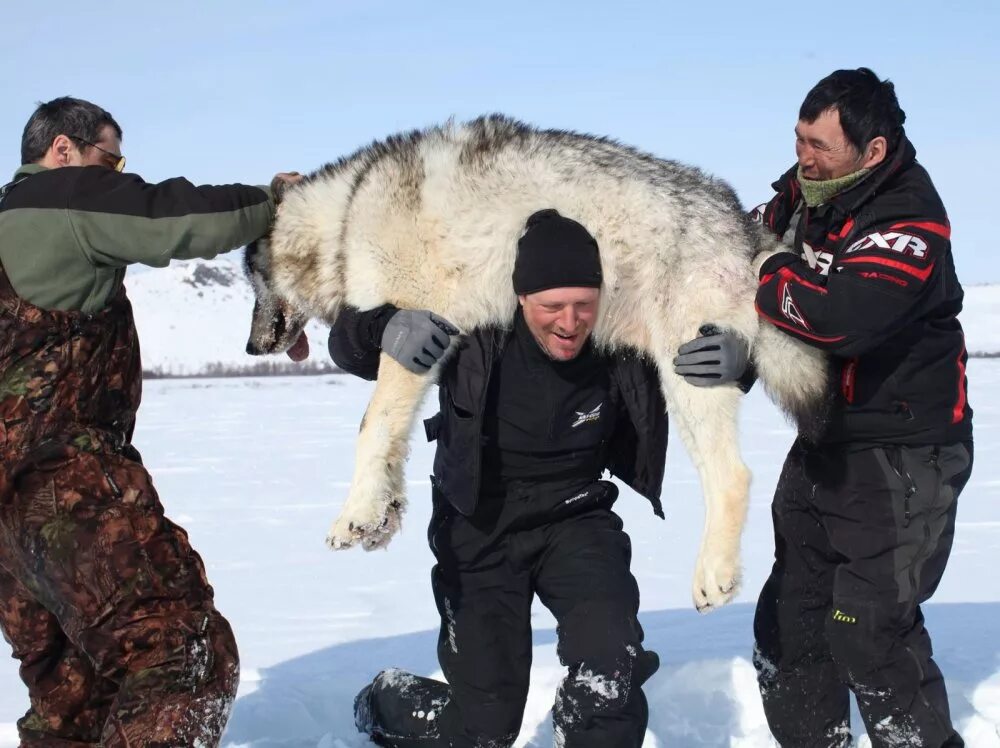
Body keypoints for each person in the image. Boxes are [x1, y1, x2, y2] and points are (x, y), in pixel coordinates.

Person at [673, 68, 974, 747]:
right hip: (825, 443)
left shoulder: (909, 220)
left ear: (871, 151)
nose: (804, 156)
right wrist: (742, 356)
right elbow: (734, 242)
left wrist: (766, 270)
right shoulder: (806, 189)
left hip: (904, 457)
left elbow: (839, 317)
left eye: (820, 145)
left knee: (867, 632)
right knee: (791, 622)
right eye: (798, 139)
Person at [0, 96, 299, 746]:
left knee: (75, 702)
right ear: (62, 152)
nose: (115, 172)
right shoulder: (60, 198)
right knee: (184, 653)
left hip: (9, 532)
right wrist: (275, 202)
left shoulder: (9, 229)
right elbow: (170, 217)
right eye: (110, 157)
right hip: (64, 491)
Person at [329, 208, 667, 747]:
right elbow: (348, 344)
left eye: (584, 305)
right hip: (478, 522)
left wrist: (736, 360)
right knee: (484, 729)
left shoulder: (624, 334)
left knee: (611, 672)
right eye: (552, 306)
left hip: (577, 517)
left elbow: (713, 322)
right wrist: (386, 325)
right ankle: (385, 701)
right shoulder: (474, 324)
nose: (570, 322)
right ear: (519, 297)